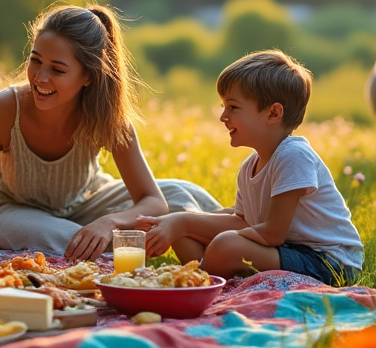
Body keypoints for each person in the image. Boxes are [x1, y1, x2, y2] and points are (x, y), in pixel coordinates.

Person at [0, 4, 220, 261]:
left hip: (85, 205)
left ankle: (238, 237)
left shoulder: (106, 114)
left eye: (57, 69)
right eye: (36, 61)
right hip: (14, 212)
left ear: (88, 76)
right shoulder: (5, 108)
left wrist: (108, 222)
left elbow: (153, 201)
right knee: (59, 237)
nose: (41, 77)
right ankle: (131, 245)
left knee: (181, 194)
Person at [139, 51, 363, 285]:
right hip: (286, 249)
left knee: (225, 245)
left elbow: (272, 233)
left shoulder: (294, 156)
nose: (223, 116)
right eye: (224, 107)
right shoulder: (249, 166)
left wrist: (210, 233)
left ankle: (198, 280)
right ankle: (207, 275)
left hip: (328, 262)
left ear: (273, 113)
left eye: (233, 107)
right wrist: (178, 222)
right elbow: (242, 220)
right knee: (184, 234)